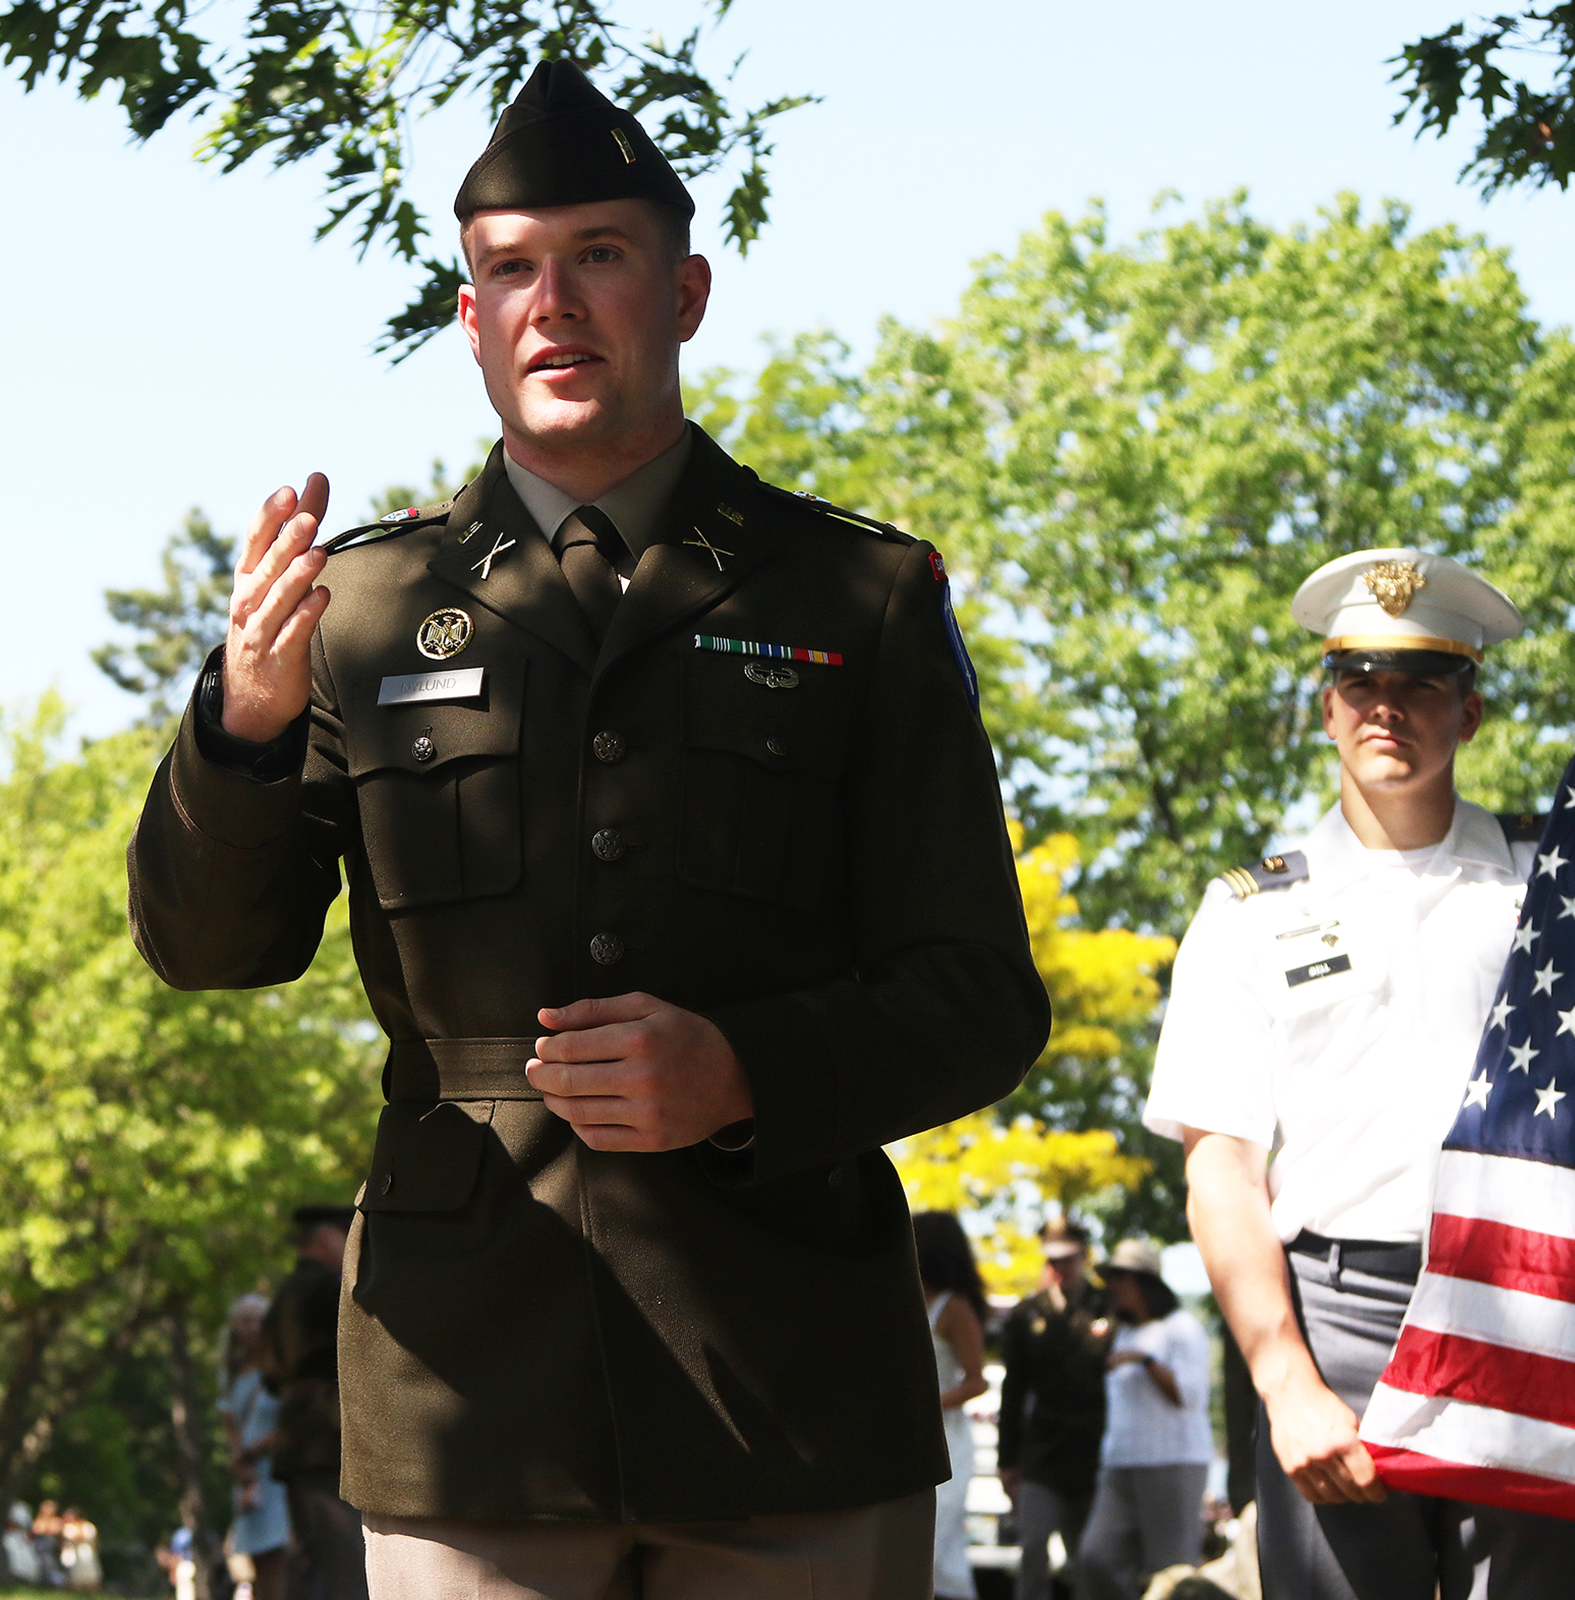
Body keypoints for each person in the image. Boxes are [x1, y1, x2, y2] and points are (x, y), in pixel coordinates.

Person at [126, 56, 1048, 1600]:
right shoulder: (357, 609)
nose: (551, 303)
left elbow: (979, 998)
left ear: (684, 293)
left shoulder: (858, 596)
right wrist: (243, 730)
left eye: (597, 257)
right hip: (470, 1394)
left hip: (790, 1384)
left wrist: (746, 1071)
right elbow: (209, 949)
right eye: (510, 270)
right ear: (470, 317)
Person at [1143, 548, 1575, 1600]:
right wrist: (1284, 1380)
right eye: (1360, 681)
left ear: (1469, 712)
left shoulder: (1560, 875)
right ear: (1326, 709)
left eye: (1421, 683)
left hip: (1532, 1306)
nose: (1386, 707)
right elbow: (1222, 1169)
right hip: (1336, 1318)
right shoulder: (1248, 912)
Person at [1074, 1240, 1212, 1599]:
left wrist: (1144, 1361)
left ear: (1146, 1283)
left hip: (1172, 1462)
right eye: (1110, 1277)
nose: (1113, 1285)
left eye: (1122, 1276)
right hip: (1120, 1463)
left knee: (1170, 1571)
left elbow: (1188, 1396)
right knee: (1096, 1557)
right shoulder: (1123, 1331)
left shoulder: (1182, 1328)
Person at [996, 1218, 1109, 1600]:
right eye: (1053, 1260)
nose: (1060, 1267)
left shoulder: (1107, 1307)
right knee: (1032, 1547)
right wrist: (1007, 1459)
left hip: (1094, 1448)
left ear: (1084, 1257)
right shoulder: (1028, 1313)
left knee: (1088, 1557)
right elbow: (1013, 1391)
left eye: (1068, 1259)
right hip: (1042, 1450)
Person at [260, 1205, 365, 1600]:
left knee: (311, 1565)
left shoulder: (285, 1294)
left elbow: (270, 1374)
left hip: (298, 1440)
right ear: (324, 1237)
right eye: (346, 1235)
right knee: (345, 1565)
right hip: (328, 1439)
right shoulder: (328, 1290)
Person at [913, 1211, 992, 1600]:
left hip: (947, 1441)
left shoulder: (954, 1306)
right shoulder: (909, 1300)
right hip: (911, 1439)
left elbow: (977, 1380)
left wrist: (925, 1405)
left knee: (929, 1544)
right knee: (943, 1560)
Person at [217, 1291, 291, 1600]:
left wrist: (253, 1451)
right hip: (249, 1479)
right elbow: (229, 1425)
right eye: (246, 1321)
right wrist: (240, 1462)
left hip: (278, 1474)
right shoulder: (231, 1373)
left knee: (280, 1558)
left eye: (259, 1321)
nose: (253, 1328)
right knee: (256, 1565)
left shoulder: (281, 1367)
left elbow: (291, 1420)